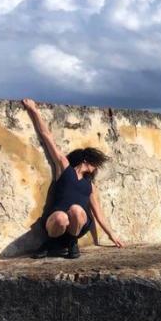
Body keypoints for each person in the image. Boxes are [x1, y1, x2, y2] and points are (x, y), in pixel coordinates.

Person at [22, 99, 124, 259]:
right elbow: (47, 137)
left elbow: (99, 214)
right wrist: (33, 110)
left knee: (76, 210)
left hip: (78, 225)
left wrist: (112, 235)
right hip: (54, 222)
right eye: (96, 164)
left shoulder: (90, 186)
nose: (96, 168)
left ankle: (71, 242)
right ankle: (50, 244)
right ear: (87, 161)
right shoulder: (64, 167)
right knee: (61, 217)